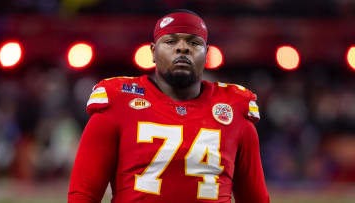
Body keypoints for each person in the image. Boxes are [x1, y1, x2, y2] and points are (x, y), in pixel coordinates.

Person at [68, 9, 270, 203]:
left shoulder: (234, 109)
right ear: (153, 52)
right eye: (171, 41)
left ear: (207, 54)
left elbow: (256, 199)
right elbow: (83, 195)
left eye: (194, 42)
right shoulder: (118, 102)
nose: (183, 48)